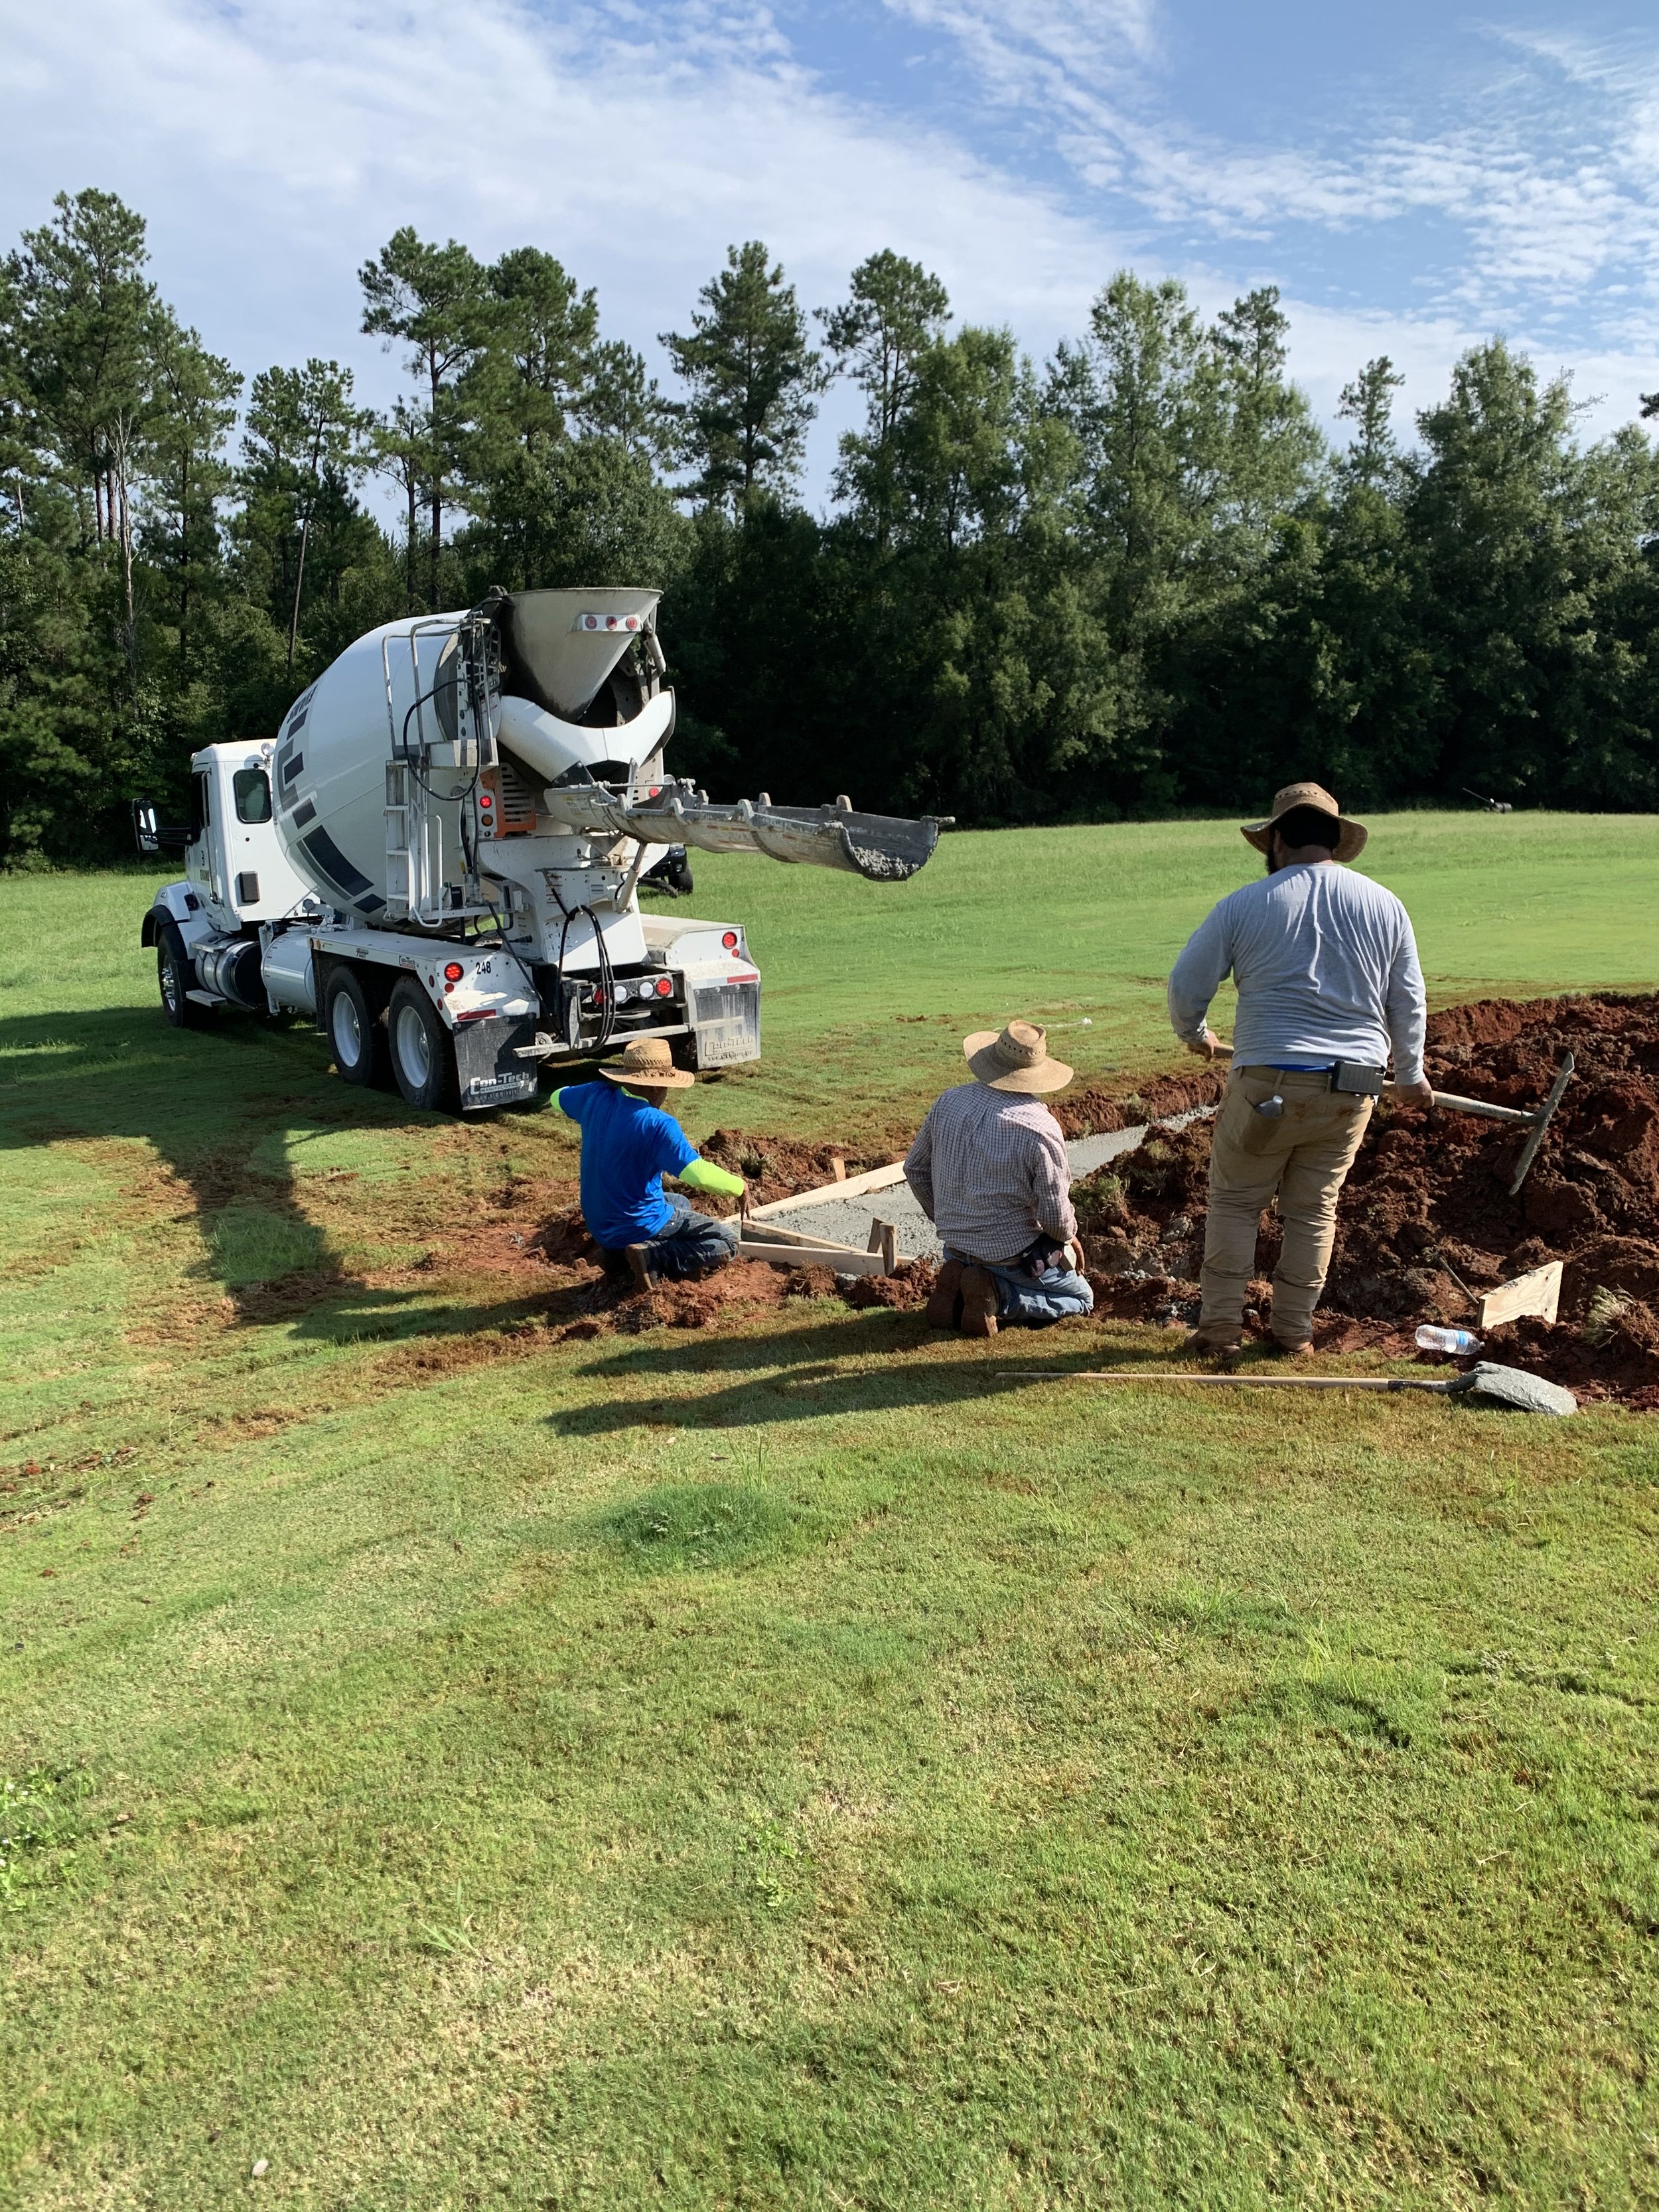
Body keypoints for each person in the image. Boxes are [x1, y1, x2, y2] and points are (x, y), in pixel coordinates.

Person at [1167, 781, 1432, 1356]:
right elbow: (1407, 998)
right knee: (1315, 1209)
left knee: (1237, 1201)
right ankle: (1293, 1333)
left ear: (1278, 840)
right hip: (1355, 1084)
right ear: (1336, 841)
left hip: (1267, 1079)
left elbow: (1187, 984)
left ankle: (1219, 1331)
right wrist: (1410, 1072)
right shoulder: (1385, 904)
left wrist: (1195, 1034)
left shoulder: (1246, 903)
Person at [905, 1020, 1094, 1337]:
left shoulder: (948, 1102)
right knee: (1081, 1298)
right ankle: (999, 1296)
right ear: (1037, 1070)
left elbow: (915, 1169)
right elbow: (1056, 1219)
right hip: (1011, 1259)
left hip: (955, 1246)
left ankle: (962, 1285)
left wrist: (949, 1217)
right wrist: (1069, 1235)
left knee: (977, 1263)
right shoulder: (1040, 1128)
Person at [554, 1035, 747, 1288]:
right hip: (636, 1223)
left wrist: (596, 1099)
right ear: (657, 1087)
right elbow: (698, 1174)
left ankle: (618, 1259)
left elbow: (557, 1097)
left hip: (600, 1222)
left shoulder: (594, 1095)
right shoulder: (658, 1125)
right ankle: (653, 1256)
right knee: (726, 1242)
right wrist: (739, 1186)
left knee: (680, 1203)